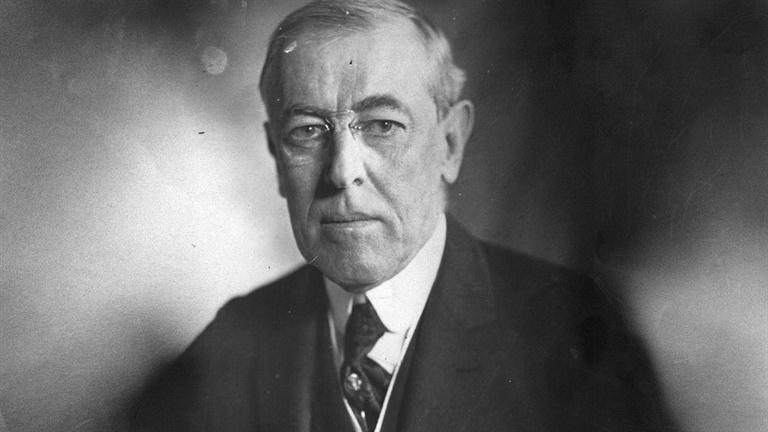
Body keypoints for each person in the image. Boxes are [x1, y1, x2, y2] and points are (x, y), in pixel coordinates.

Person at [132, 1, 675, 431]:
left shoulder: (578, 338)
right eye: (308, 132)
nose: (342, 172)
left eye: (382, 126)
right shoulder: (228, 350)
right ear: (276, 157)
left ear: (450, 144)